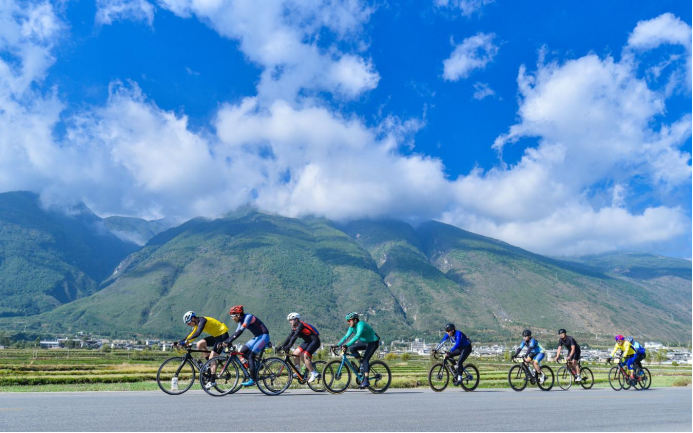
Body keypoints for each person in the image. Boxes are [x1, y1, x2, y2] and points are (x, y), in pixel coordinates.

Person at [173, 312, 230, 390]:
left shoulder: (202, 320)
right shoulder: (196, 324)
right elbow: (190, 335)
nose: (188, 325)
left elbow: (197, 333)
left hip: (223, 335)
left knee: (212, 357)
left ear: (193, 318)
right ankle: (210, 367)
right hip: (216, 336)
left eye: (188, 322)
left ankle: (212, 380)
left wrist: (185, 342)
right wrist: (179, 342)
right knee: (199, 344)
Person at [222, 306, 270, 387]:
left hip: (264, 337)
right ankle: (254, 366)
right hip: (257, 337)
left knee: (251, 356)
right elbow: (236, 332)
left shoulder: (248, 317)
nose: (232, 318)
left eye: (233, 316)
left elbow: (240, 331)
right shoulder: (240, 321)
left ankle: (252, 379)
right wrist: (227, 341)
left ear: (238, 315)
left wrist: (229, 341)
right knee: (242, 351)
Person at [337, 312, 380, 389]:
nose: (348, 322)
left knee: (366, 360)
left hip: (373, 342)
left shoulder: (361, 324)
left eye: (349, 320)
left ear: (355, 320)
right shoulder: (351, 328)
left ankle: (366, 380)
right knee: (352, 348)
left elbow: (357, 336)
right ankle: (361, 364)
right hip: (365, 341)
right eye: (347, 321)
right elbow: (346, 337)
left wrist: (346, 345)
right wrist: (337, 345)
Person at [277, 312, 322, 383]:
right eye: (289, 320)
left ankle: (314, 373)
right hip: (307, 342)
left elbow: (294, 337)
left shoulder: (301, 325)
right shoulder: (294, 327)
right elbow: (289, 337)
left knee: (305, 356)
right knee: (295, 353)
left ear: (296, 320)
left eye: (291, 320)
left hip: (315, 341)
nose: (290, 322)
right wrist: (282, 346)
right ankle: (298, 370)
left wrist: (289, 346)